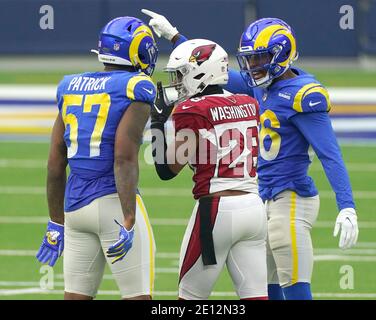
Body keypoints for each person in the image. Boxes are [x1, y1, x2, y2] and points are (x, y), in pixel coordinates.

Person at [142, 10, 359, 300]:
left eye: (261, 57)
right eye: (251, 57)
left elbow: (329, 153)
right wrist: (175, 37)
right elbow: (206, 69)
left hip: (290, 195)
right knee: (263, 290)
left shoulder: (303, 94)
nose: (253, 65)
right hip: (258, 199)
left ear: (282, 54)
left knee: (289, 278)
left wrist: (347, 205)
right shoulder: (255, 89)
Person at [36, 16, 158, 300]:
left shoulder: (70, 87)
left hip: (75, 209)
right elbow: (123, 158)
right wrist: (129, 216)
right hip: (113, 202)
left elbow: (55, 163)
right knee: (138, 297)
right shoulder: (136, 87)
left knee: (76, 297)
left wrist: (56, 222)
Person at [150, 38, 268, 300]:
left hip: (218, 209)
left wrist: (157, 123)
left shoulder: (192, 110)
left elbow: (167, 170)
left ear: (200, 71)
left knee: (190, 297)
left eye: (181, 74)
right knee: (256, 295)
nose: (178, 82)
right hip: (254, 208)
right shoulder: (247, 103)